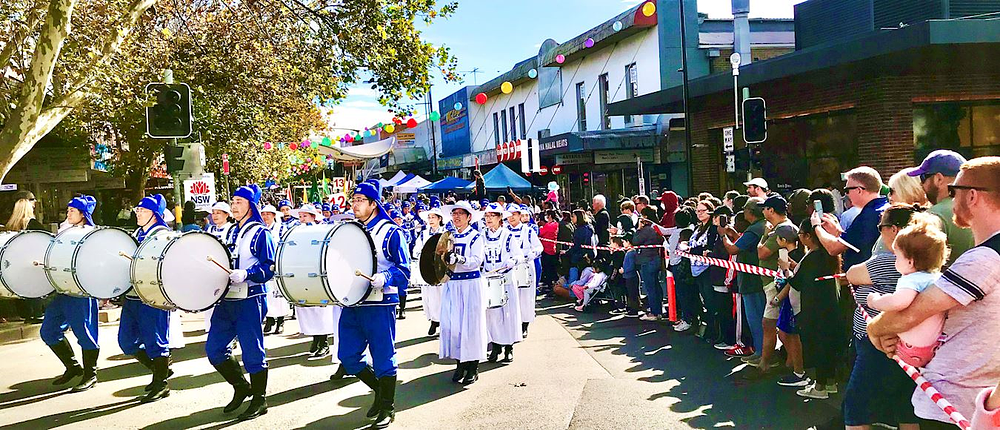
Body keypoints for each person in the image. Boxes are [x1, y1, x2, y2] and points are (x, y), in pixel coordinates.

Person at [868, 157, 1000, 429]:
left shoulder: (983, 260)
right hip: (977, 402)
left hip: (954, 401)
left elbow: (910, 314)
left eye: (954, 191)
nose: (950, 200)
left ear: (972, 196)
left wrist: (874, 329)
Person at [333, 180, 410, 429]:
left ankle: (388, 407)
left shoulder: (390, 232)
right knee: (347, 355)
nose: (354, 205)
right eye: (353, 200)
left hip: (380, 303)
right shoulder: (350, 231)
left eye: (359, 201)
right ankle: (379, 391)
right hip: (353, 303)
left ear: (373, 204)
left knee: (383, 357)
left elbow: (405, 270)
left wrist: (385, 277)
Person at [841, 204, 923, 429]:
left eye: (881, 227)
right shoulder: (924, 263)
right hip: (910, 344)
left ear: (894, 229)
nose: (879, 232)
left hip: (877, 344)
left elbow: (852, 274)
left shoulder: (888, 261)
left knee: (856, 406)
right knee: (905, 405)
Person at [206, 185, 276, 421]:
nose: (234, 205)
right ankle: (241, 386)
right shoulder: (231, 231)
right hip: (226, 299)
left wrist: (247, 273)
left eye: (239, 201)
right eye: (233, 201)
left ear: (250, 205)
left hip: (250, 298)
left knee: (253, 351)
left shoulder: (260, 233)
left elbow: (269, 267)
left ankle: (260, 399)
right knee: (214, 350)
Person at [866, 219, 948, 368]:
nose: (895, 260)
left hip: (910, 349)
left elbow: (898, 302)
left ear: (910, 262)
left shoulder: (911, 280)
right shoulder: (938, 279)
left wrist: (875, 301)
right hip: (936, 348)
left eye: (897, 256)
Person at [40, 195, 101, 392]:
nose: (68, 214)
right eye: (68, 211)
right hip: (63, 290)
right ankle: (73, 367)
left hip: (81, 291)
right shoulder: (64, 231)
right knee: (48, 330)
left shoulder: (91, 235)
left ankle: (90, 374)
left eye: (72, 211)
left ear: (83, 214)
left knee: (85, 332)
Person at [119, 194, 174, 403]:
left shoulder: (162, 236)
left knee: (156, 341)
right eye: (137, 210)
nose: (138, 213)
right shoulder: (137, 234)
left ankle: (161, 384)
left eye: (142, 210)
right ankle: (159, 371)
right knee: (126, 341)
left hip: (153, 296)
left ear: (154, 214)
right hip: (133, 296)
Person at [787, 218, 845, 399]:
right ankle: (830, 382)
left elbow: (798, 283)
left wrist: (786, 270)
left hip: (815, 310)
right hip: (831, 308)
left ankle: (819, 386)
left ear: (807, 236)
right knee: (828, 346)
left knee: (818, 347)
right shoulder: (829, 255)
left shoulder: (813, 256)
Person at [439, 201, 487, 386]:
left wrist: (459, 258)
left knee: (471, 325)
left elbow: (476, 260)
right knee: (455, 325)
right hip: (453, 283)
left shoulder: (475, 237)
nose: (457, 216)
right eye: (454, 213)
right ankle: (460, 362)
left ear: (469, 217)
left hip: (470, 284)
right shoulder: (448, 237)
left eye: (461, 213)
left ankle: (473, 365)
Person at [751, 195, 796, 374]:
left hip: (777, 284)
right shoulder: (780, 228)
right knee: (782, 327)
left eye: (764, 208)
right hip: (775, 282)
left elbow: (762, 253)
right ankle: (789, 362)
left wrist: (764, 235)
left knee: (769, 324)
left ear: (771, 210)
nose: (762, 211)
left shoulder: (781, 229)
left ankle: (767, 363)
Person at [813, 166, 889, 272]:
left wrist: (816, 226)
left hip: (872, 282)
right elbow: (858, 243)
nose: (846, 194)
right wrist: (838, 232)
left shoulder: (869, 215)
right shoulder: (884, 208)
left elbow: (833, 249)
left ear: (859, 190)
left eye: (847, 190)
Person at [718, 198, 767, 363]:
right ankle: (761, 351)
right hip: (757, 278)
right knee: (760, 317)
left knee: (755, 317)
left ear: (750, 212)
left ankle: (761, 352)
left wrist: (724, 235)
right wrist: (734, 235)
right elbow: (745, 243)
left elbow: (733, 248)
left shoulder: (754, 229)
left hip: (751, 280)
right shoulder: (760, 227)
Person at [906, 149, 974, 264]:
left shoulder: (932, 216)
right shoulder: (981, 207)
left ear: (939, 179)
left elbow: (918, 265)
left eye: (923, 177)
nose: (921, 184)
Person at [294, 204, 337, 360]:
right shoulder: (297, 231)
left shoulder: (322, 230)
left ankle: (323, 341)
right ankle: (315, 338)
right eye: (300, 216)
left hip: (318, 272)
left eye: (305, 216)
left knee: (320, 309)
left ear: (313, 216)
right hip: (303, 272)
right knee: (307, 307)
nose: (302, 219)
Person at [481, 203, 521, 363]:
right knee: (491, 315)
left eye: (492, 216)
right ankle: (495, 346)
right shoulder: (482, 235)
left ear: (499, 218)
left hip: (505, 281)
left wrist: (512, 261)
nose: (489, 219)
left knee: (507, 314)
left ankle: (509, 347)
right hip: (489, 281)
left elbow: (519, 256)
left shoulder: (508, 235)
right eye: (487, 216)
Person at [4, 191, 46, 322]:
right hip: (32, 261)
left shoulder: (11, 224)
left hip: (15, 263)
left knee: (22, 289)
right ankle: (37, 314)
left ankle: (27, 314)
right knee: (34, 287)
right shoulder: (33, 224)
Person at [507, 204, 542, 338]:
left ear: (519, 215)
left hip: (526, 267)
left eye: (514, 215)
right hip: (511, 268)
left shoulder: (528, 231)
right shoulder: (505, 231)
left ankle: (524, 324)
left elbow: (539, 247)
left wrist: (532, 254)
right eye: (509, 215)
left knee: (525, 297)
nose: (511, 218)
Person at [689, 200, 722, 342]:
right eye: (697, 211)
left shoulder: (712, 229)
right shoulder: (698, 228)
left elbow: (708, 248)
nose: (699, 213)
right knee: (704, 300)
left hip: (708, 269)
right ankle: (707, 329)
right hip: (695, 268)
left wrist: (694, 250)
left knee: (710, 301)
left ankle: (714, 332)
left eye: (703, 210)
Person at [413, 206, 445, 336]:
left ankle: (443, 322)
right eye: (429, 217)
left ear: (439, 219)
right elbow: (417, 248)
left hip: (441, 268)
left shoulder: (445, 233)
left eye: (433, 217)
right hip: (428, 267)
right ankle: (433, 320)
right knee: (428, 296)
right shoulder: (424, 233)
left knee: (441, 295)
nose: (431, 220)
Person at [260, 205, 290, 336]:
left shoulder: (281, 228)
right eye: (263, 214)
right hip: (265, 266)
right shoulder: (260, 229)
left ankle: (281, 320)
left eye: (268, 214)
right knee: (267, 294)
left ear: (274, 215)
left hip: (278, 265)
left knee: (279, 294)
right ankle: (270, 320)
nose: (265, 216)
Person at [633, 208, 665, 321]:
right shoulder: (656, 228)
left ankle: (654, 312)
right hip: (655, 258)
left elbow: (635, 241)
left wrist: (638, 229)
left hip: (647, 260)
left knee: (650, 287)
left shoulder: (646, 230)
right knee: (656, 285)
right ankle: (659, 310)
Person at [566, 209, 595, 286]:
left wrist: (567, 252)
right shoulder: (589, 227)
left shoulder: (580, 230)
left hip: (580, 256)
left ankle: (572, 285)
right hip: (589, 254)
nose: (572, 218)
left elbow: (577, 245)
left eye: (573, 216)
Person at [538, 210, 560, 291]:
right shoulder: (556, 224)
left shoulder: (549, 225)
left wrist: (540, 228)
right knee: (552, 267)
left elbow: (540, 232)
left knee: (547, 267)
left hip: (547, 248)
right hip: (552, 248)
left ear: (550, 216)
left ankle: (549, 283)